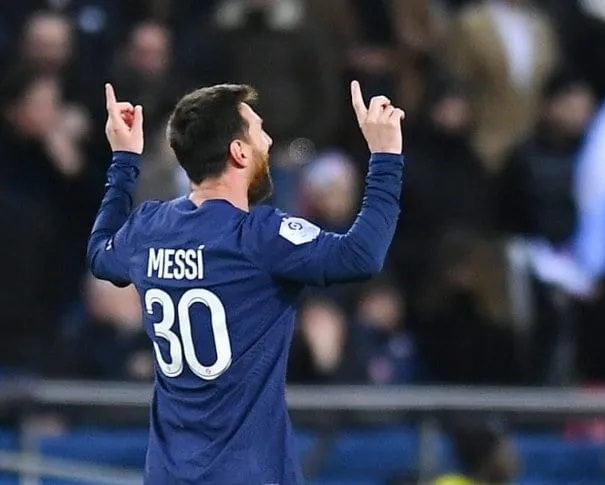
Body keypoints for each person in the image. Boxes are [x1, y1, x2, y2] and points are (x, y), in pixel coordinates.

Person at [86, 81, 405, 484]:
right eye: (259, 130)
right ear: (238, 152)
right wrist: (386, 157)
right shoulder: (258, 237)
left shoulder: (150, 227)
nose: (268, 141)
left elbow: (100, 255)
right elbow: (361, 256)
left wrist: (124, 160)